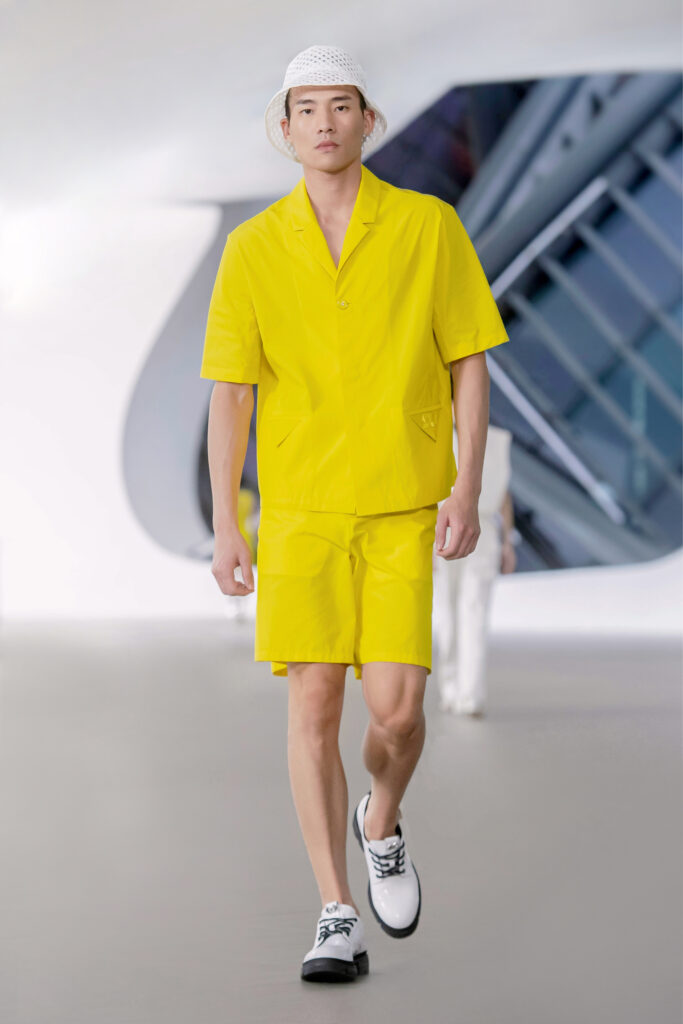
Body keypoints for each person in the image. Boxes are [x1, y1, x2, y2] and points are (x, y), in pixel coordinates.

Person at [199, 44, 510, 983]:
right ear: (285, 128)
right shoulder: (254, 248)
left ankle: (380, 818)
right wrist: (229, 523)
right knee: (313, 704)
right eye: (307, 108)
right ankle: (336, 912)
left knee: (398, 712)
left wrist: (463, 487)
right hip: (299, 510)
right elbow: (231, 392)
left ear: (369, 121)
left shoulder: (427, 225)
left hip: (401, 501)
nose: (324, 123)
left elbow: (467, 361)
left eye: (341, 106)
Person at [432, 424, 518, 717]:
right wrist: (507, 542)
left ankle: (457, 689)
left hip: (451, 527)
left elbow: (503, 494)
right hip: (474, 528)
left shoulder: (439, 434)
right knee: (469, 611)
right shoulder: (494, 439)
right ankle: (466, 693)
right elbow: (504, 495)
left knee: (456, 610)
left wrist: (507, 542)